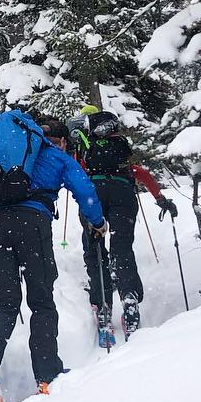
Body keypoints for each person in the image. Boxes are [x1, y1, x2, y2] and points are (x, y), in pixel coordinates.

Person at [0, 110, 106, 402]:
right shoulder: (55, 156)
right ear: (57, 140)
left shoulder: (6, 162)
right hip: (32, 224)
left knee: (4, 303)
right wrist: (97, 222)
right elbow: (85, 189)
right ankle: (48, 377)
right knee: (41, 302)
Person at [66, 107, 178, 344]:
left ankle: (103, 305)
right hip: (123, 194)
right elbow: (142, 173)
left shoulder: (88, 149)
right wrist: (160, 199)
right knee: (122, 248)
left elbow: (77, 173)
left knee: (95, 250)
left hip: (93, 195)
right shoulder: (121, 150)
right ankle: (129, 299)